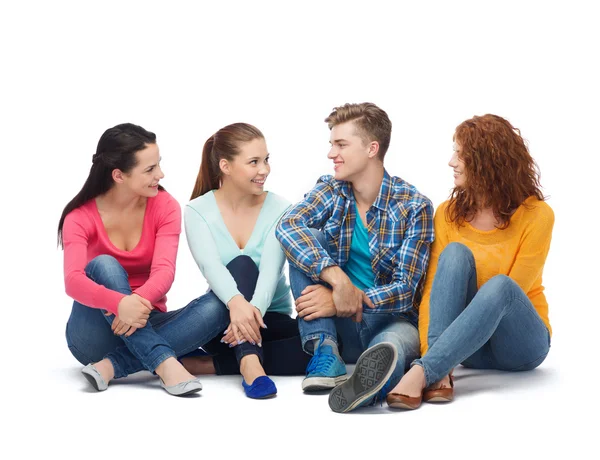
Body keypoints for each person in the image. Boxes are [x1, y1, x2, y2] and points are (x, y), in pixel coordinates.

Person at [386, 114, 554, 409]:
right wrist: (434, 350)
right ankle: (438, 372)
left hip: (520, 343)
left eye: (460, 154)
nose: (452, 162)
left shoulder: (537, 215)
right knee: (454, 254)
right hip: (464, 349)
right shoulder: (447, 213)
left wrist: (425, 362)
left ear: (488, 161)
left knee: (502, 286)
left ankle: (422, 372)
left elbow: (513, 294)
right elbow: (431, 296)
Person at [275, 103, 435, 413]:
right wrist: (339, 281)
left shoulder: (414, 206)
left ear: (372, 148)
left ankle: (371, 378)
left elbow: (407, 290)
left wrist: (343, 299)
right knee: (311, 240)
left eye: (341, 144)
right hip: (337, 324)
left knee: (394, 344)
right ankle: (325, 350)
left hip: (389, 320)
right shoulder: (332, 190)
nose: (331, 153)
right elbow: (288, 225)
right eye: (331, 144)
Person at [61, 123, 203, 396]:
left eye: (158, 165)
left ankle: (111, 366)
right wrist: (119, 304)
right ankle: (164, 362)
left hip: (145, 318)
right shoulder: (79, 217)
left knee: (219, 306)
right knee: (104, 265)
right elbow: (73, 281)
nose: (160, 175)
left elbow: (164, 272)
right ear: (119, 175)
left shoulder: (165, 205)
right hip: (92, 337)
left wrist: (133, 307)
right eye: (150, 170)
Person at [180, 122, 310, 399]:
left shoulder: (280, 208)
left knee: (319, 345)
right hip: (225, 318)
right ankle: (250, 365)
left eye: (266, 160)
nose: (264, 169)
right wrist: (237, 305)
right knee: (241, 265)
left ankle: (210, 364)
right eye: (254, 162)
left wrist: (250, 316)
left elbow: (271, 272)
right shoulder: (197, 210)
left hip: (266, 319)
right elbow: (211, 268)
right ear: (225, 166)